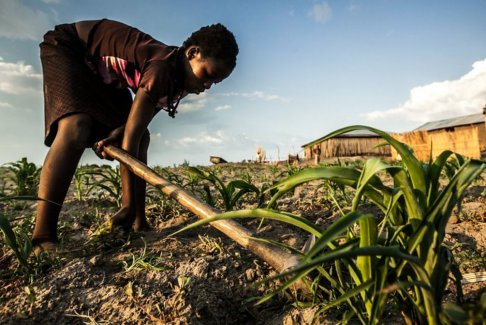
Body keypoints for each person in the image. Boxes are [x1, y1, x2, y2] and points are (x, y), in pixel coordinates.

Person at [32, 19, 239, 254]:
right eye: (208, 75)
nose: (208, 86)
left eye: (216, 82)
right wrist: (127, 204)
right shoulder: (162, 68)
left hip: (105, 76)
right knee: (76, 127)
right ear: (193, 53)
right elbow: (131, 135)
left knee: (143, 138)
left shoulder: (180, 81)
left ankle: (140, 221)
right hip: (71, 47)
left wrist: (120, 131)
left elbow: (136, 129)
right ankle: (42, 236)